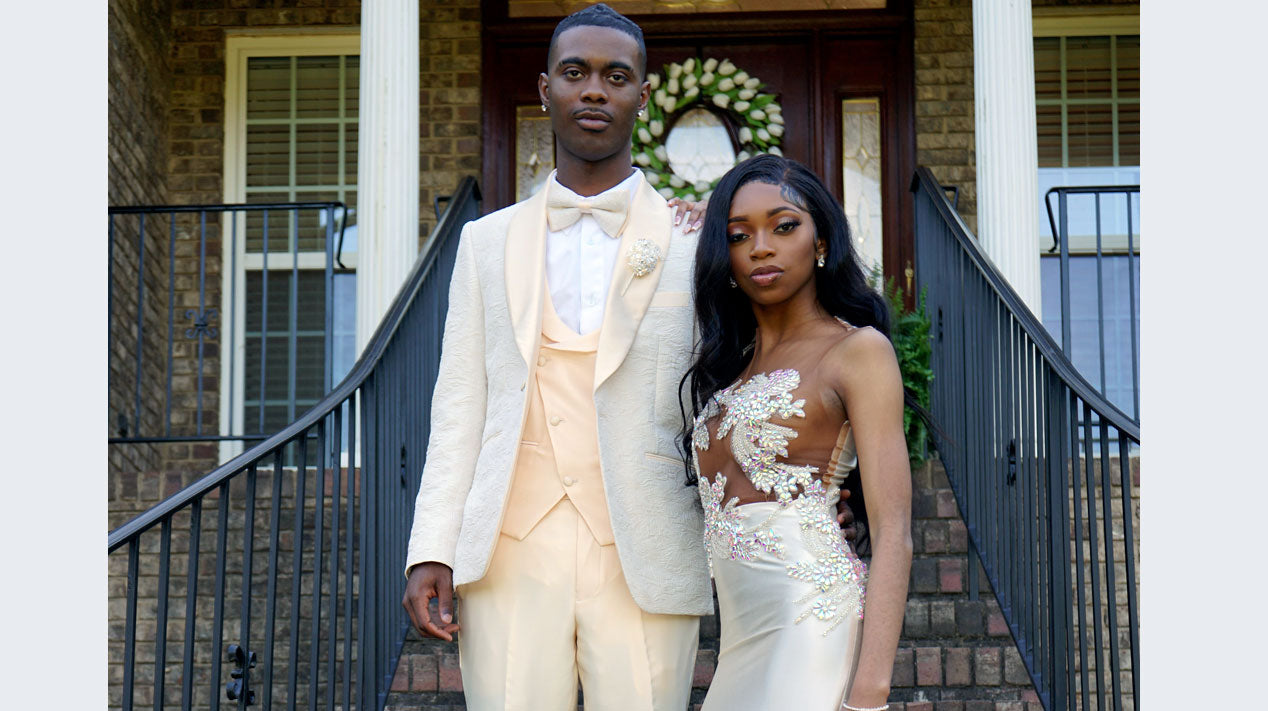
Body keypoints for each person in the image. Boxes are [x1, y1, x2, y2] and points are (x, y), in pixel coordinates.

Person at [401, 5, 713, 710]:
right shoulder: (485, 243)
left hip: (647, 544)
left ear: (644, 92)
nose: (594, 91)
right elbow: (458, 408)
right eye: (575, 73)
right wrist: (432, 546)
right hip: (510, 547)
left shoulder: (696, 243)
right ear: (545, 90)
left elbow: (725, 391)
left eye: (615, 76)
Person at [683, 154, 913, 711]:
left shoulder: (857, 351)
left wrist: (869, 693)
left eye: (785, 226)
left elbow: (895, 531)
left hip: (812, 624)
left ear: (821, 241)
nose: (762, 247)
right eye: (739, 236)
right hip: (738, 644)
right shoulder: (727, 372)